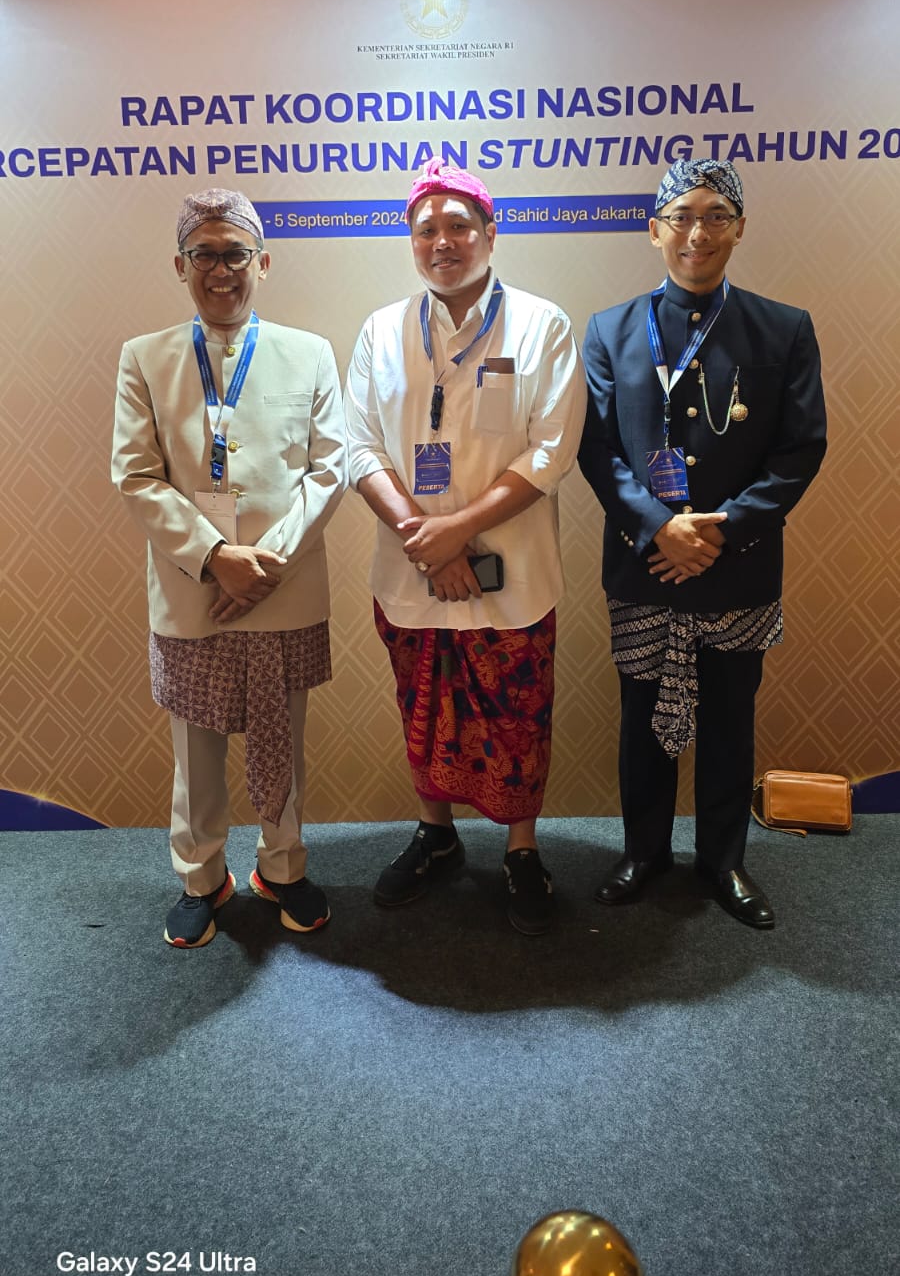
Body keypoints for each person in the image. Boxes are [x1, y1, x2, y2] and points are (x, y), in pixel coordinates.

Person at [579, 159, 826, 928]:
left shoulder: (783, 328)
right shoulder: (610, 329)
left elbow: (800, 449)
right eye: (681, 216)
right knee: (641, 720)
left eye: (717, 215)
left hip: (736, 566)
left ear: (739, 228)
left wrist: (724, 530)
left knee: (728, 722)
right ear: (653, 230)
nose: (698, 232)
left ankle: (724, 862)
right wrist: (660, 526)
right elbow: (596, 449)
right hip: (645, 562)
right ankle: (643, 853)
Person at [344, 158, 586, 935]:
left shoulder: (542, 325)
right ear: (412, 243)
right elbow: (355, 446)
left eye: (457, 226)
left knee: (519, 715)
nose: (441, 242)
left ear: (490, 232)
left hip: (511, 573)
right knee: (420, 706)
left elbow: (552, 449)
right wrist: (429, 541)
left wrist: (458, 529)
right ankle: (437, 834)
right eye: (426, 231)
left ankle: (522, 849)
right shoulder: (382, 331)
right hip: (411, 569)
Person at [112, 188, 346, 947]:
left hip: (284, 589)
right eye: (204, 254)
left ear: (263, 263)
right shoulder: (145, 358)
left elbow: (330, 469)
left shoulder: (310, 352)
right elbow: (136, 476)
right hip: (193, 593)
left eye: (235, 253)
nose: (221, 270)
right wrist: (216, 558)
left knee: (286, 741)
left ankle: (283, 866)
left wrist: (264, 564)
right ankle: (200, 876)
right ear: (180, 265)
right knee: (197, 752)